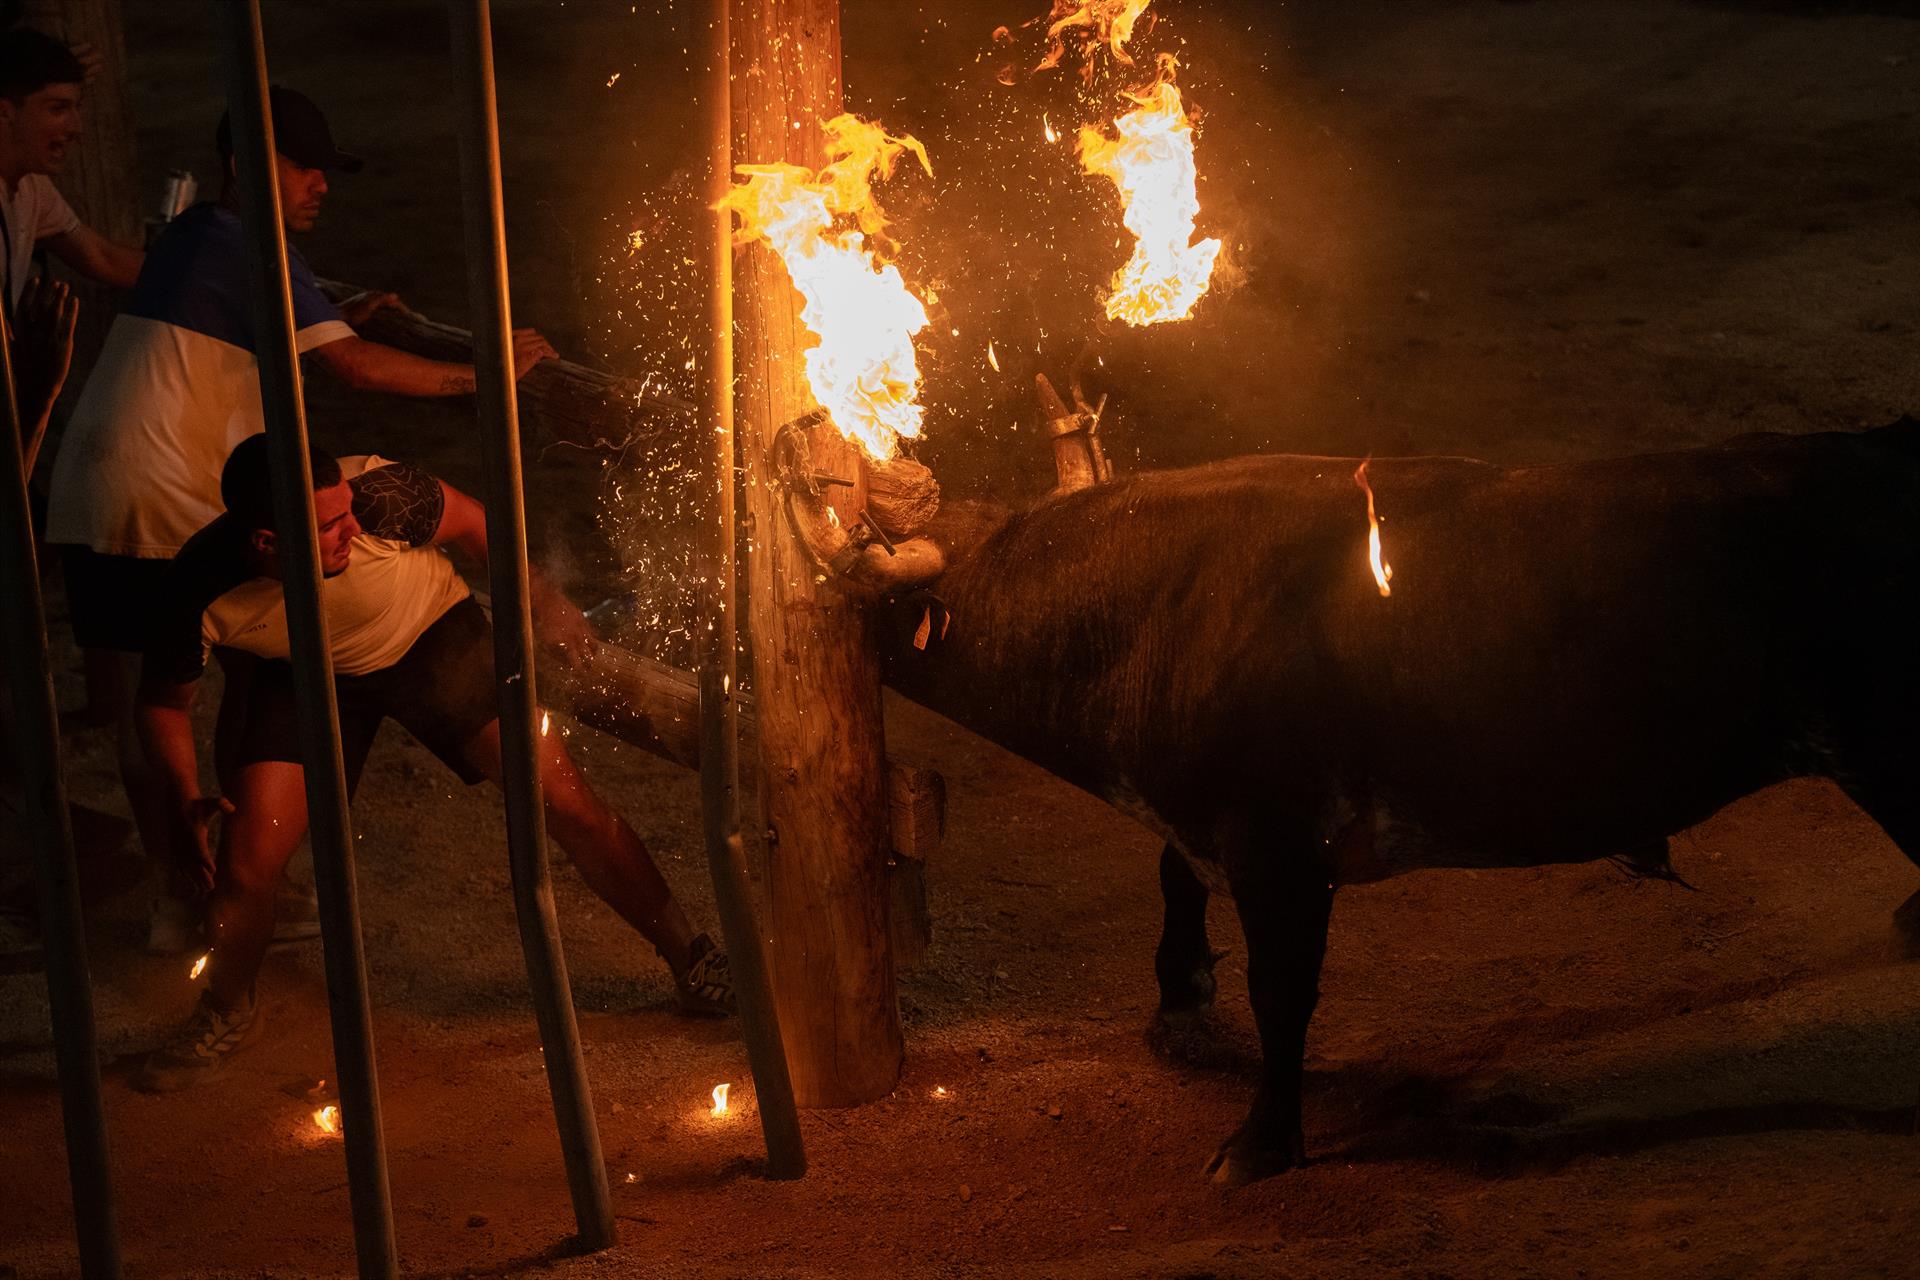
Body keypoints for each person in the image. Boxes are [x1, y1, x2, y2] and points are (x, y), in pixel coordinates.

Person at [43, 85, 556, 951]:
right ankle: (234, 886)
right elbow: (354, 368)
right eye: (303, 167)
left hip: (94, 494)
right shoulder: (248, 248)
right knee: (241, 672)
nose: (321, 184)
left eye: (327, 170)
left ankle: (188, 893)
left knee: (154, 689)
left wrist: (321, 317)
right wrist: (486, 374)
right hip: (168, 502)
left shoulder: (193, 240)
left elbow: (280, 331)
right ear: (247, 165)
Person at [131, 438, 731, 1091]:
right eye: (331, 525)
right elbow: (161, 704)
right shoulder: (195, 588)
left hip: (432, 635)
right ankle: (225, 1010)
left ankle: (692, 959)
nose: (353, 527)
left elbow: (474, 522)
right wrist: (184, 795)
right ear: (268, 544)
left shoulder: (382, 497)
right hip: (307, 670)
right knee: (246, 864)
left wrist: (540, 595)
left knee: (565, 802)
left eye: (346, 512)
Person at [0, 28, 144, 311]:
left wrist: (214, 275)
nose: (76, 128)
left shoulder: (33, 187)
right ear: (5, 111)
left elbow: (103, 258)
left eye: (76, 107)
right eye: (58, 109)